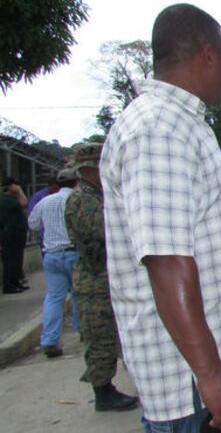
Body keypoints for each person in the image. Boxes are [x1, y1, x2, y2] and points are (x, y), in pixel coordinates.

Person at [100, 4, 221, 432]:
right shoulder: (158, 128)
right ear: (208, 56)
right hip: (192, 383)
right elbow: (166, 260)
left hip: (214, 361)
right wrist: (212, 374)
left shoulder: (183, 124)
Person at [64, 142, 139, 412]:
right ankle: (103, 392)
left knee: (114, 336)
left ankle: (108, 387)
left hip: (106, 278)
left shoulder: (97, 195)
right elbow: (106, 233)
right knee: (101, 339)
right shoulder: (83, 199)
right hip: (95, 281)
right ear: (88, 169)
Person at [28, 169, 80, 357]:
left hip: (51, 255)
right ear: (76, 182)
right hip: (74, 253)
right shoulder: (77, 200)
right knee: (78, 295)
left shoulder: (45, 201)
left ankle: (49, 340)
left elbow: (33, 224)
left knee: (54, 298)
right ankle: (83, 333)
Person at [0, 176, 28, 294]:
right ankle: (9, 285)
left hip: (15, 232)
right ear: (10, 187)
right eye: (15, 185)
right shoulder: (6, 199)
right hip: (10, 232)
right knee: (11, 260)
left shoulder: (10, 198)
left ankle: (15, 282)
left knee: (16, 259)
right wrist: (19, 191)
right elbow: (24, 203)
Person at [28, 176, 60, 259]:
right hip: (45, 234)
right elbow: (32, 214)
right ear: (49, 186)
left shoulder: (60, 196)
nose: (56, 191)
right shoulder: (39, 197)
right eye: (54, 188)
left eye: (58, 189)